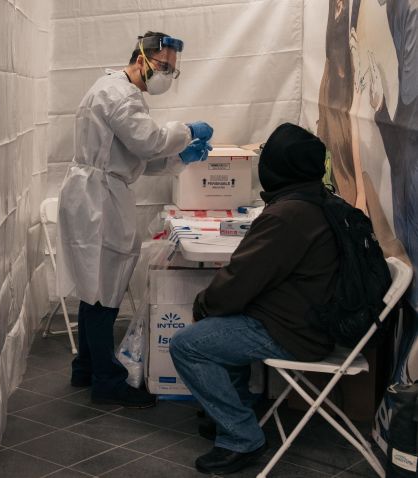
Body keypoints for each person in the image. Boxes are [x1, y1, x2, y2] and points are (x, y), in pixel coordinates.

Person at [169, 123, 339, 475]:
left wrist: (202, 306)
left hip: (295, 331)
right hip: (308, 320)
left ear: (279, 166)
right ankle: (232, 415)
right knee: (221, 326)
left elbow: (240, 279)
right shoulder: (314, 200)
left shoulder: (287, 215)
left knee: (189, 344)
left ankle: (242, 438)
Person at [56, 31, 213, 408]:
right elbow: (148, 142)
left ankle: (86, 366)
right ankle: (106, 382)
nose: (165, 76)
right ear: (141, 59)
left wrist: (181, 159)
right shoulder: (118, 94)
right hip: (97, 200)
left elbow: (138, 156)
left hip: (99, 193)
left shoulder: (117, 91)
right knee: (103, 288)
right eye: (162, 67)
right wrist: (188, 131)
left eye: (172, 71)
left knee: (96, 284)